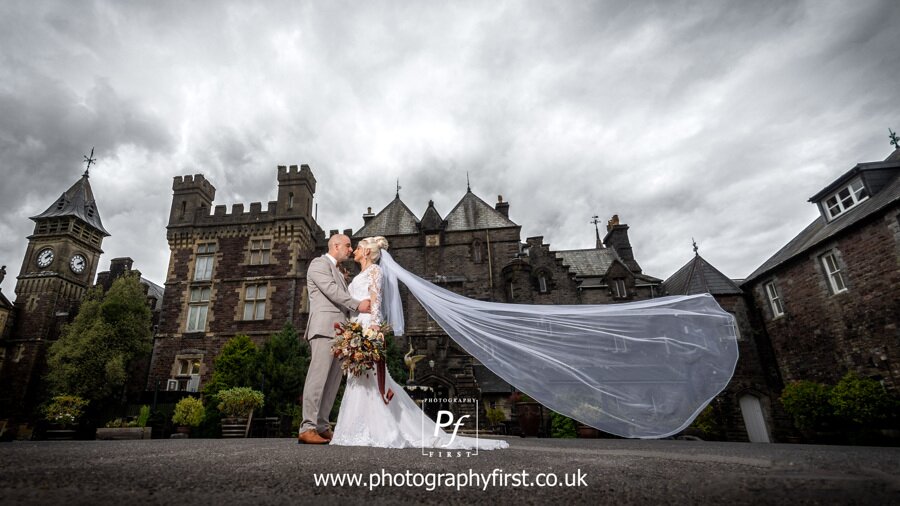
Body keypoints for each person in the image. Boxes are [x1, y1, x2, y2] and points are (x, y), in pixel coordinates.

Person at [330, 236, 508, 449]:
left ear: (367, 252)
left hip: (367, 326)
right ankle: (355, 429)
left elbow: (376, 300)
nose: (354, 251)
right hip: (355, 325)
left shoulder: (375, 271)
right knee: (358, 377)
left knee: (369, 376)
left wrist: (375, 328)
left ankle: (379, 429)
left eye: (357, 248)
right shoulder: (359, 274)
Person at [299, 234, 371, 445]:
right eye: (348, 246)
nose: (350, 250)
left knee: (332, 383)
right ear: (336, 245)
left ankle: (322, 426)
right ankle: (307, 427)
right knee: (318, 378)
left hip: (341, 332)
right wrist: (358, 305)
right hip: (324, 328)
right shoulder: (318, 264)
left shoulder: (339, 271)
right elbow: (331, 291)